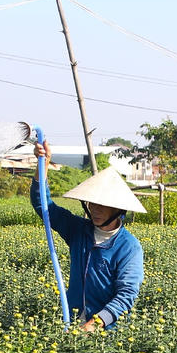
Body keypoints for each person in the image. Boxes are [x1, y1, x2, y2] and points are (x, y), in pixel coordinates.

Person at [32, 140, 145, 332]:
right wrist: (43, 163)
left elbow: (126, 295)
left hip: (106, 333)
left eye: (102, 204)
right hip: (70, 322)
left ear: (118, 209)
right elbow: (43, 205)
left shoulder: (129, 247)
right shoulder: (79, 230)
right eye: (92, 203)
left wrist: (95, 324)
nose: (94, 209)